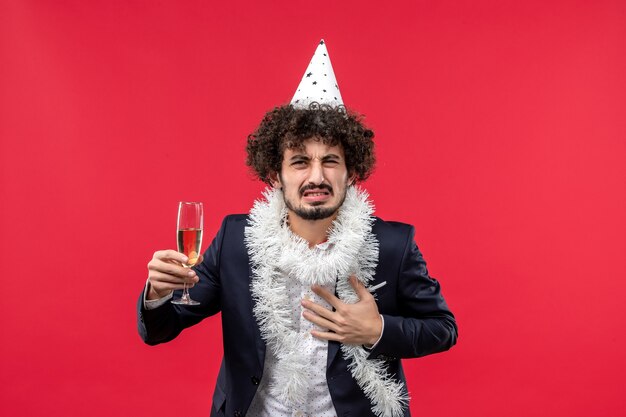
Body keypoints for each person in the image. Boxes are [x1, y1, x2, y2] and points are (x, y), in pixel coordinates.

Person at [137, 40, 457, 417]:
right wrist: (157, 293)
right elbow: (161, 329)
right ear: (275, 174)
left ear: (351, 172)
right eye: (301, 162)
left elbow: (443, 329)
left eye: (331, 161)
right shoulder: (235, 241)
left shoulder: (392, 245)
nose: (316, 177)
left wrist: (377, 330)